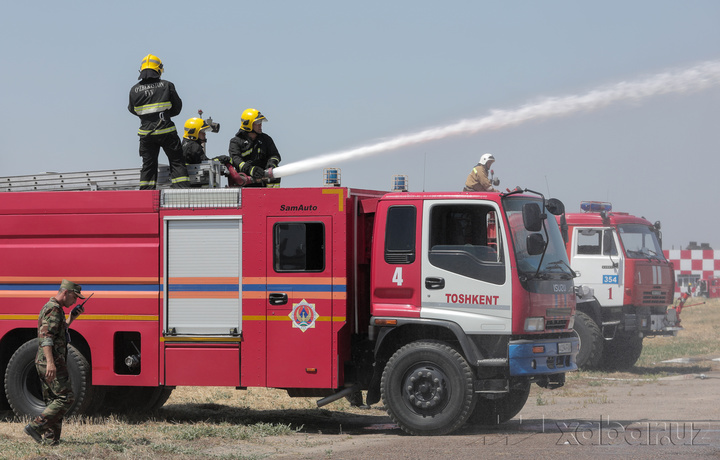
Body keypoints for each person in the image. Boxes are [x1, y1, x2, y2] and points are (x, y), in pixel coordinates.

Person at [24, 279, 86, 446]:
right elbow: (46, 338)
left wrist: (72, 318)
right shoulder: (53, 309)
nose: (75, 301)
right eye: (74, 297)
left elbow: (57, 331)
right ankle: (36, 427)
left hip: (49, 361)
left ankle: (52, 440)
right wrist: (51, 363)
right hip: (51, 362)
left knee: (53, 400)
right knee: (66, 398)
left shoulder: (56, 309)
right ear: (65, 293)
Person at [128, 54, 190, 189]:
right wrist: (165, 115)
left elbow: (133, 110)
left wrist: (147, 118)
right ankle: (182, 191)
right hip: (167, 131)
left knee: (148, 166)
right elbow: (177, 108)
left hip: (146, 134)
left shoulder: (134, 90)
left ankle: (146, 196)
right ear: (159, 69)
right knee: (177, 162)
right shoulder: (167, 85)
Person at [228, 108, 281, 188]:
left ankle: (274, 198)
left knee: (276, 172)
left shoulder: (266, 139)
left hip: (264, 181)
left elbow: (275, 155)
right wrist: (251, 170)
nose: (260, 125)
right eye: (257, 122)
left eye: (261, 122)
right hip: (245, 184)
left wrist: (272, 163)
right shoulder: (235, 142)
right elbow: (237, 160)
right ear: (248, 124)